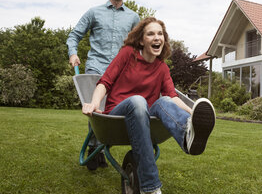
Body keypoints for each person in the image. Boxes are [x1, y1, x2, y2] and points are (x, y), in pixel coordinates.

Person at [82, 17, 216, 194]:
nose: (157, 37)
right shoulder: (128, 54)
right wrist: (94, 103)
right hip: (117, 116)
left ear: (164, 40)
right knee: (138, 100)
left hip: (142, 117)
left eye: (160, 34)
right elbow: (104, 82)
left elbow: (172, 98)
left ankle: (187, 134)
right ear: (141, 40)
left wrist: (195, 114)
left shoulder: (162, 68)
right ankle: (151, 187)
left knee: (164, 101)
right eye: (150, 34)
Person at [67, 0, 140, 170]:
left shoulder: (134, 17)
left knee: (115, 111)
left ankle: (101, 148)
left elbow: (141, 45)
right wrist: (73, 54)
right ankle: (94, 149)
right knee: (96, 108)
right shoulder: (94, 12)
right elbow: (74, 36)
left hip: (121, 71)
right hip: (96, 67)